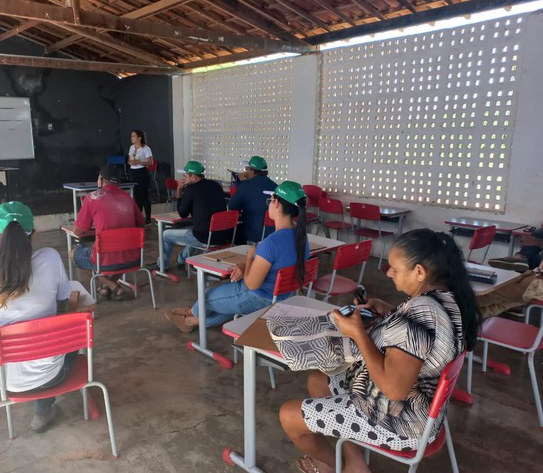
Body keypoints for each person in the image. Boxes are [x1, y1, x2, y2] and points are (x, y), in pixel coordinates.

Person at [279, 229, 480, 473]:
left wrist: (359, 335)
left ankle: (338, 468)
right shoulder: (447, 299)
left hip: (400, 421)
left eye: (395, 268)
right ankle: (356, 463)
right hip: (423, 411)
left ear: (419, 272)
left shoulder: (420, 315)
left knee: (289, 416)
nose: (388, 272)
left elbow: (393, 389)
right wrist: (391, 312)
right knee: (319, 380)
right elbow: (420, 335)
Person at [0, 201, 73, 433]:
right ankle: (43, 410)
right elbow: (63, 302)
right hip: (50, 375)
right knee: (71, 339)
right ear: (33, 233)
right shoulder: (51, 258)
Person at [165, 180, 310, 333]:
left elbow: (251, 285)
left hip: (258, 298)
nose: (269, 204)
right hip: (281, 295)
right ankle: (189, 321)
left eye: (271, 200)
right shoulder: (302, 238)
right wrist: (247, 265)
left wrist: (249, 258)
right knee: (225, 305)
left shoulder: (271, 243)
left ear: (277, 204)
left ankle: (188, 314)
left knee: (206, 296)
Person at [72, 165, 145, 300]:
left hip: (104, 259)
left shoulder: (91, 198)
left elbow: (78, 232)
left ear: (100, 179)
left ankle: (112, 286)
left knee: (73, 254)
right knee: (119, 257)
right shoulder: (128, 197)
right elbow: (141, 223)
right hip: (134, 258)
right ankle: (107, 287)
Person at [156, 160, 229, 272]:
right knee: (193, 232)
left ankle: (162, 266)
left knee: (166, 234)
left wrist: (179, 190)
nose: (183, 179)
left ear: (194, 177)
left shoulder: (191, 189)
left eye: (186, 176)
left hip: (204, 238)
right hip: (222, 236)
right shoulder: (216, 185)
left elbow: (182, 214)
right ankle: (181, 260)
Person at [228, 155, 277, 244]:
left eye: (247, 170)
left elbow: (232, 207)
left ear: (253, 171)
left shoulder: (245, 186)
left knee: (233, 233)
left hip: (254, 233)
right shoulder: (276, 186)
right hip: (274, 232)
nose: (246, 173)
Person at [128, 129, 154, 224]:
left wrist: (139, 162)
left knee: (144, 196)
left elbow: (150, 162)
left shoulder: (146, 148)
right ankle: (139, 217)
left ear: (139, 138)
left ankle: (148, 217)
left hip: (142, 172)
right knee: (137, 196)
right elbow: (129, 159)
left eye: (133, 136)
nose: (131, 138)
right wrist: (131, 162)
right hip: (133, 172)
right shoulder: (131, 147)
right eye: (131, 136)